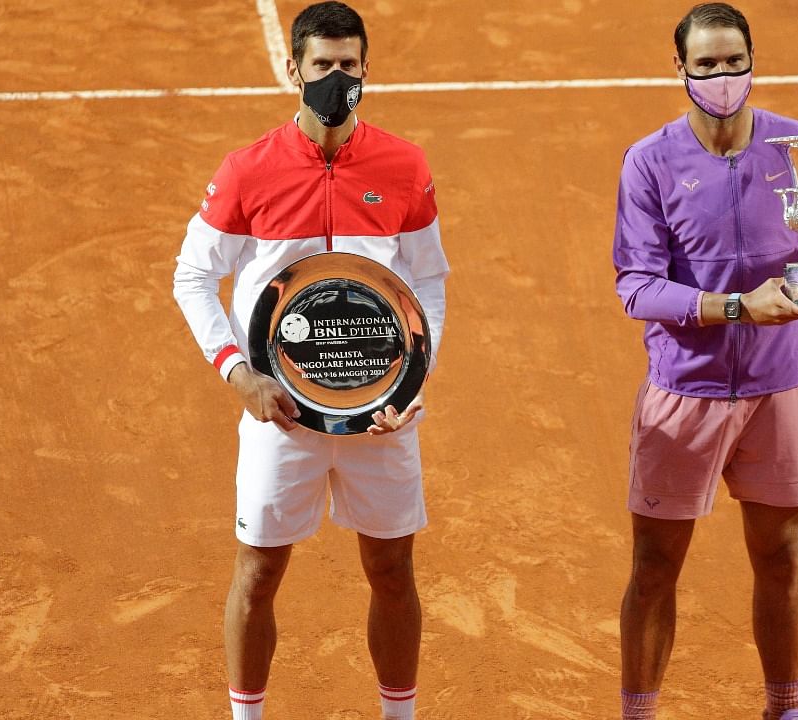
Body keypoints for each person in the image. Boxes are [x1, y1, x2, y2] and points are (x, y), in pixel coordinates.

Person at [172, 3, 448, 719]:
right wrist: (239, 372)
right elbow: (193, 275)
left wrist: (414, 383)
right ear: (293, 70)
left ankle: (399, 715)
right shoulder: (248, 171)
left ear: (365, 71)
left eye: (348, 66)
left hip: (381, 413)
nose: (335, 78)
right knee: (259, 572)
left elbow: (427, 284)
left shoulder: (405, 165)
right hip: (279, 413)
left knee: (391, 569)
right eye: (321, 66)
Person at [611, 4, 798, 720]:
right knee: (656, 568)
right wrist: (734, 307)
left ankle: (786, 710)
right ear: (680, 70)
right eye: (707, 65)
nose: (724, 77)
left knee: (781, 557)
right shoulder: (650, 161)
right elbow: (636, 285)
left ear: (752, 60)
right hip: (683, 392)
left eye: (734, 61)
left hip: (778, 388)